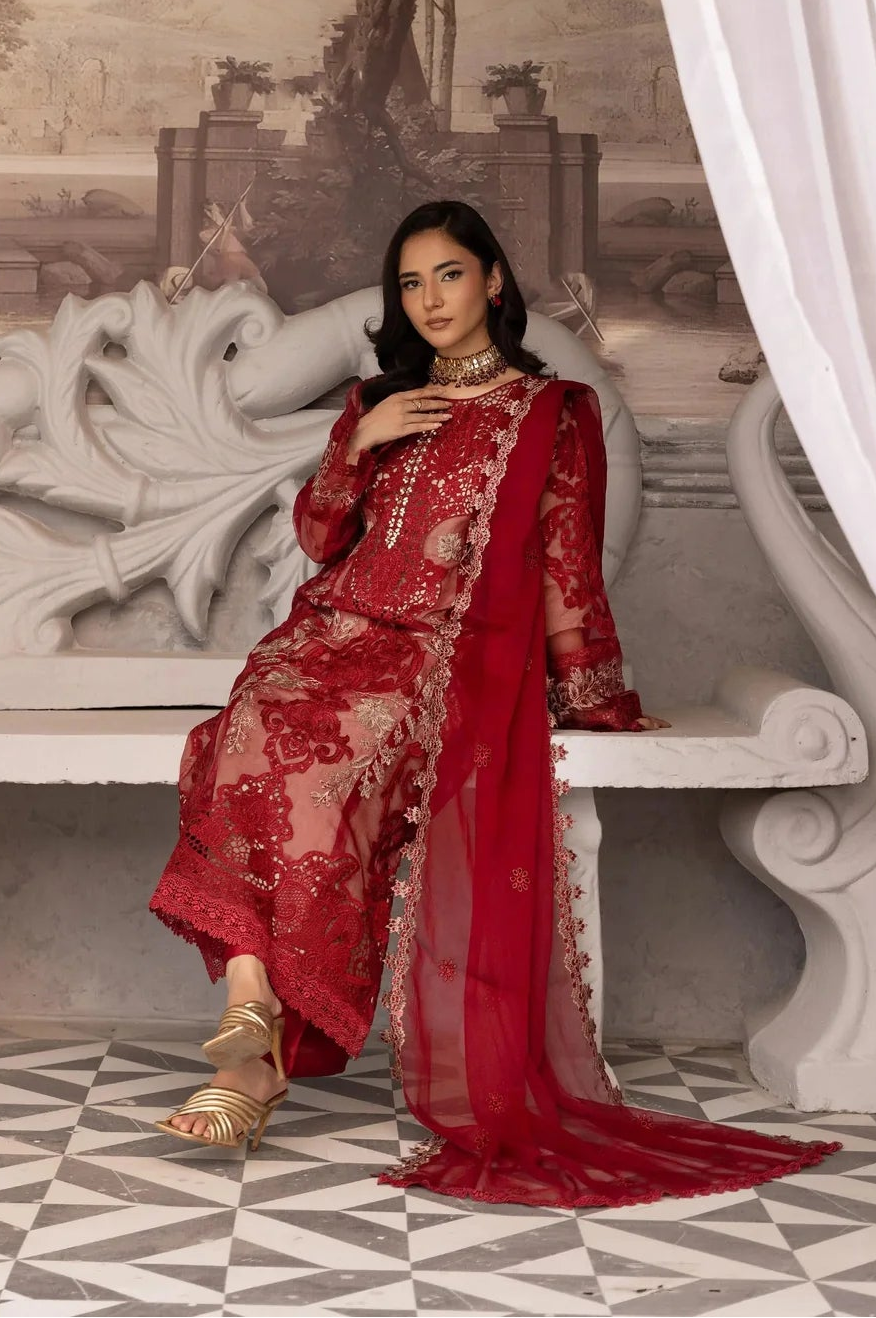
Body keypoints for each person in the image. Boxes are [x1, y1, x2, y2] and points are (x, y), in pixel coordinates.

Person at [149, 200, 839, 1206]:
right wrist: (357, 439)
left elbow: (567, 571)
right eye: (411, 284)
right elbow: (319, 533)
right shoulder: (375, 403)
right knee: (241, 736)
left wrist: (597, 695)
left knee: (319, 772)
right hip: (324, 637)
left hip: (434, 660)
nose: (428, 300)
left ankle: (249, 1053)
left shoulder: (554, 413)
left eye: (448, 276)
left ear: (493, 283)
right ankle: (251, 1011)